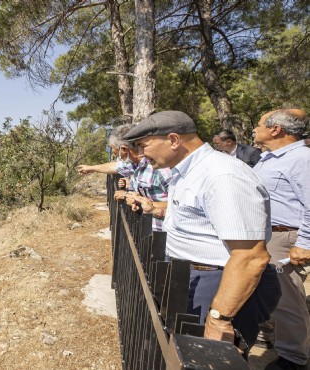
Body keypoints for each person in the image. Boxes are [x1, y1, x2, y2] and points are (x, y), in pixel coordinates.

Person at [124, 110, 280, 353]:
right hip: (194, 277)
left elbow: (250, 256)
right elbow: (199, 213)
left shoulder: (221, 175)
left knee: (211, 358)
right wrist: (156, 207)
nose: (142, 154)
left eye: (144, 145)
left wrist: (220, 317)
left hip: (218, 283)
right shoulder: (189, 171)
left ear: (174, 140)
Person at [252, 109, 310, 370]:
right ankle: (273, 338)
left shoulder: (301, 159)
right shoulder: (269, 158)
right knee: (270, 295)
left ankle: (293, 359)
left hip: (284, 237)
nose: (255, 128)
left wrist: (305, 243)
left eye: (259, 124)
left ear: (276, 129)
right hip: (267, 235)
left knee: (287, 300)